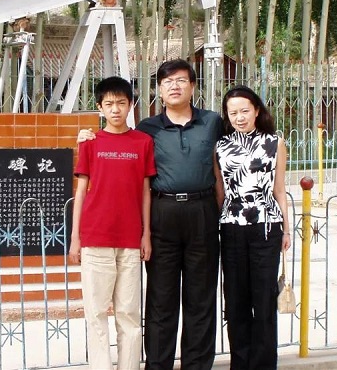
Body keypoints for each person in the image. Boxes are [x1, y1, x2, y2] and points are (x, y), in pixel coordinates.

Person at [78, 59, 224, 370]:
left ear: (193, 85)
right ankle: (158, 365)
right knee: (161, 297)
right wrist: (85, 135)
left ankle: (197, 365)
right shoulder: (147, 129)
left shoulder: (212, 122)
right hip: (163, 214)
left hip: (202, 211)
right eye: (167, 81)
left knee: (201, 298)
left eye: (181, 80)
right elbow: (116, 145)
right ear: (159, 89)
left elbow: (227, 157)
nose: (174, 86)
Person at [69, 76, 156, 370]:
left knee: (129, 314)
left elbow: (145, 191)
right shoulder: (90, 143)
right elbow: (81, 191)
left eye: (121, 103)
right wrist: (76, 238)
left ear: (130, 105)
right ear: (100, 107)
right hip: (95, 238)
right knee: (95, 314)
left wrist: (146, 234)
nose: (115, 109)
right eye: (109, 104)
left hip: (130, 240)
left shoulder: (143, 142)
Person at [214, 85, 291, 370]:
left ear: (257, 110)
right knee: (236, 301)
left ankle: (264, 364)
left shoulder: (274, 142)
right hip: (231, 227)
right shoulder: (220, 146)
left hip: (266, 228)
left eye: (245, 111)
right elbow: (220, 191)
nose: (240, 117)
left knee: (264, 300)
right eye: (233, 112)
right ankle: (240, 363)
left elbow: (280, 189)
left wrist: (286, 229)